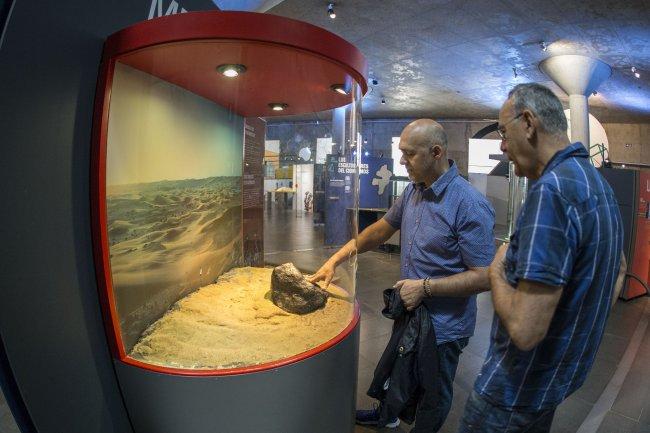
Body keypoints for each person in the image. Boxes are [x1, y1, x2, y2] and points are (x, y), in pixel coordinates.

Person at [458, 83, 627, 433]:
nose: (502, 147)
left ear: (530, 123)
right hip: (553, 385)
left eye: (504, 133)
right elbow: (619, 270)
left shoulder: (552, 191)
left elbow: (525, 330)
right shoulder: (597, 183)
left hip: (510, 395)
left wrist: (496, 273)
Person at [309, 119, 496, 430]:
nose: (401, 161)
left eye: (409, 154)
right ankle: (387, 416)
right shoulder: (413, 191)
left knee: (433, 391)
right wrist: (337, 259)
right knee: (397, 369)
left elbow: (485, 276)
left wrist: (425, 287)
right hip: (410, 310)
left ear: (436, 152)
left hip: (443, 326)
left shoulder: (470, 205)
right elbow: (382, 230)